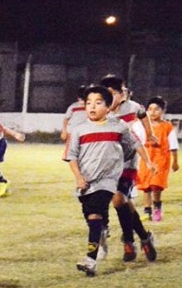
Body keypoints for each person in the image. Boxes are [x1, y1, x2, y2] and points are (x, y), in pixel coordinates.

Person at [65, 85, 154, 276]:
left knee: (105, 208)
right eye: (88, 103)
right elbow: (71, 156)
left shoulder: (121, 122)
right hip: (87, 181)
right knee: (94, 216)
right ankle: (143, 237)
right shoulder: (80, 130)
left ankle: (93, 257)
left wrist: (147, 161)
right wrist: (79, 177)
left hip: (113, 178)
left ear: (109, 104)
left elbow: (135, 143)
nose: (92, 106)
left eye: (97, 103)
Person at [100, 75, 158, 262]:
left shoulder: (132, 107)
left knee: (118, 200)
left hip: (129, 160)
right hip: (109, 162)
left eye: (112, 94)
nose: (108, 98)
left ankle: (128, 241)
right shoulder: (101, 111)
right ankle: (144, 236)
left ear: (120, 94)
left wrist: (150, 134)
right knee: (125, 203)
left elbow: (143, 114)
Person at [136, 96, 179, 222]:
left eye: (156, 109)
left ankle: (157, 209)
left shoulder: (167, 126)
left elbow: (174, 145)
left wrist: (175, 162)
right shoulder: (143, 126)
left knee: (156, 185)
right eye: (150, 109)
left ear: (163, 111)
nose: (153, 112)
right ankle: (146, 211)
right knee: (146, 187)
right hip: (146, 159)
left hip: (161, 160)